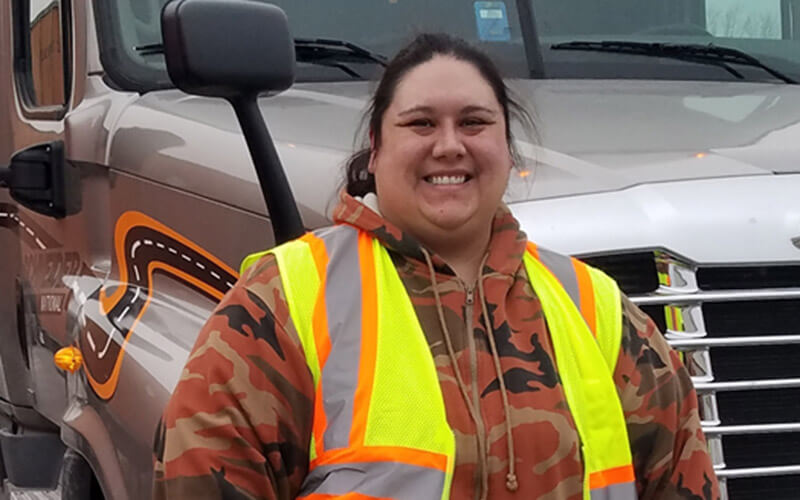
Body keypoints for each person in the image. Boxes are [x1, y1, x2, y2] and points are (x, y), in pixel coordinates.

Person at [152, 33, 720, 500]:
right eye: (421, 124)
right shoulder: (283, 300)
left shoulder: (597, 310)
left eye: (474, 123)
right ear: (375, 150)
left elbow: (681, 477)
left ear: (508, 147)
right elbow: (201, 473)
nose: (449, 145)